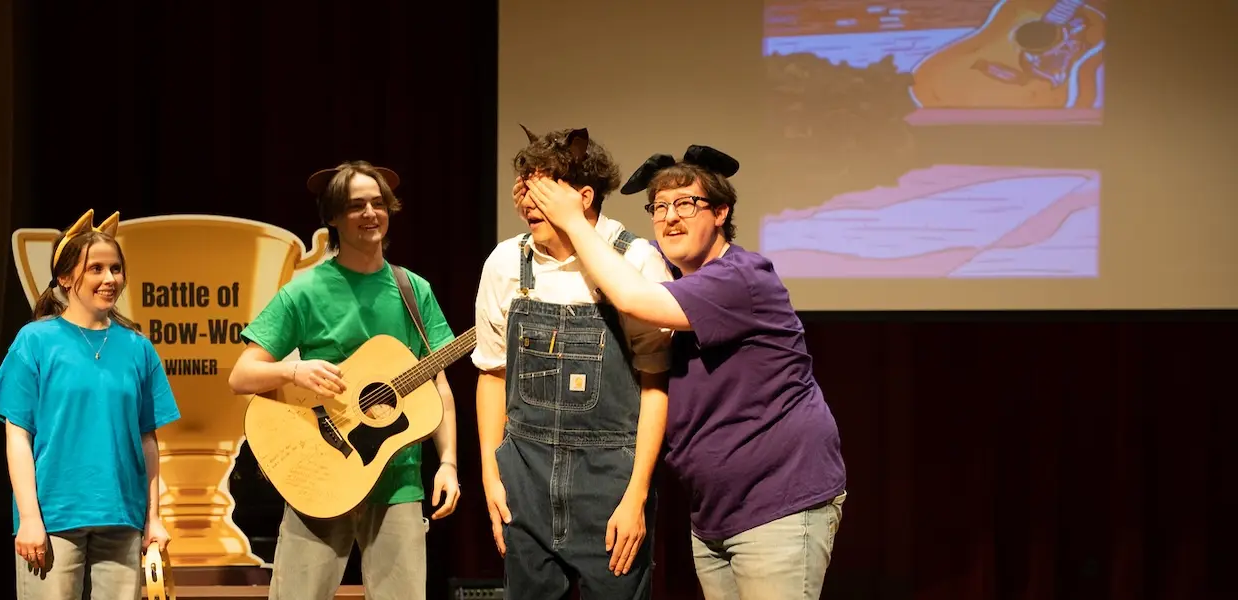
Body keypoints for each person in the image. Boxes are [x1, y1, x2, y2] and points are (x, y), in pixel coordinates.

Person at [526, 145, 848, 600]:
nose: (669, 218)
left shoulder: (741, 278)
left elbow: (633, 297)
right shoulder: (660, 268)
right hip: (713, 514)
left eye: (685, 204)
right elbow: (614, 257)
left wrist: (574, 219)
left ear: (720, 212)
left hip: (779, 503)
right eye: (659, 207)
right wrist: (553, 206)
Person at [228, 161, 461, 600]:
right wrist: (293, 370)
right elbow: (242, 375)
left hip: (397, 479)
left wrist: (448, 462)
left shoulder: (414, 290)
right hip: (319, 472)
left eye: (378, 203)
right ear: (333, 217)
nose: (370, 213)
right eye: (356, 206)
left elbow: (439, 388)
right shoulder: (306, 290)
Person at [475, 125, 672, 599]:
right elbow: (492, 373)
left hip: (609, 481)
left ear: (584, 196)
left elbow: (654, 384)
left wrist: (636, 494)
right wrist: (490, 474)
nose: (526, 203)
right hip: (525, 475)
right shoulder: (506, 263)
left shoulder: (636, 261)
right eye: (523, 189)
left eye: (542, 191)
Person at [0, 209, 181, 599]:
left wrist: (153, 519)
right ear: (65, 277)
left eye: (115, 268)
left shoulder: (137, 348)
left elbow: (147, 440)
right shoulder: (35, 341)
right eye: (96, 269)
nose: (110, 279)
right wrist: (28, 519)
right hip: (55, 517)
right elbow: (18, 436)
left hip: (122, 518)